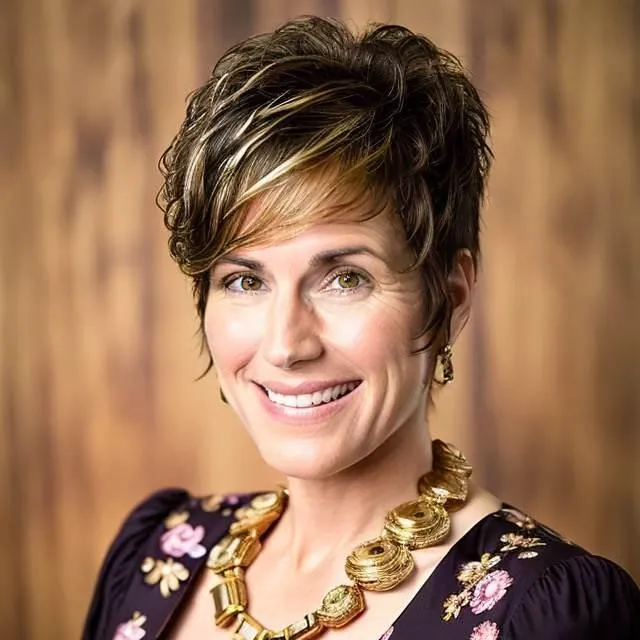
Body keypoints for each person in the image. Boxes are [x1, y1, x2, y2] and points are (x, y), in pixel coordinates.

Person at [83, 16, 639, 640]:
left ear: (450, 296)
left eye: (345, 278)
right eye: (244, 280)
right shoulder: (154, 556)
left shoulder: (545, 611)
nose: (286, 345)